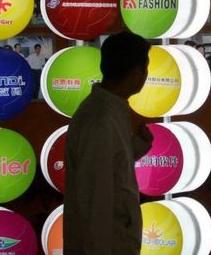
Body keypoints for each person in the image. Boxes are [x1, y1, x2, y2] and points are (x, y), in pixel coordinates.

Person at [63, 31, 153, 255]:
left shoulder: (108, 109)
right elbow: (95, 202)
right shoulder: (101, 118)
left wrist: (136, 147)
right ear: (136, 72)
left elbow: (109, 168)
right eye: (145, 69)